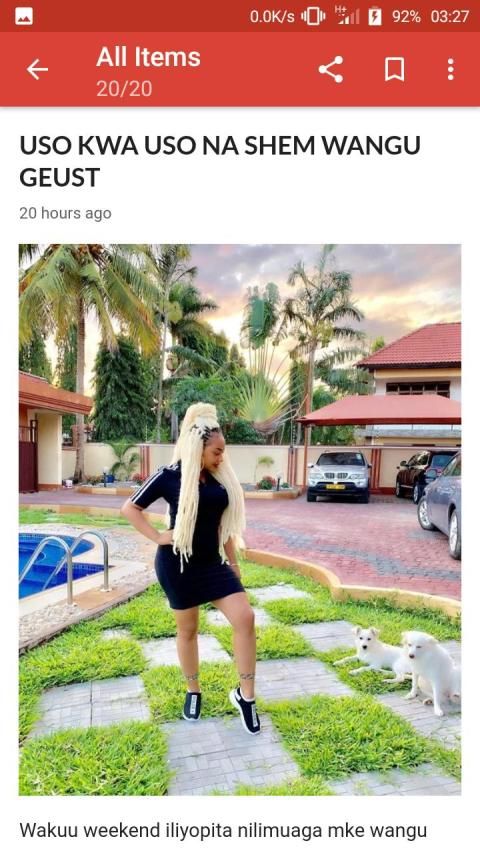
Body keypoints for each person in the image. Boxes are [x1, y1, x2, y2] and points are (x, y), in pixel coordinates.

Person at [121, 403, 260, 735]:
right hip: (178, 565)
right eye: (217, 451)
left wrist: (233, 562)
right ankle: (193, 689)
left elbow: (224, 526)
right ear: (198, 447)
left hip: (212, 564)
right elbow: (130, 508)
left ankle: (246, 696)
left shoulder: (218, 480)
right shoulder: (169, 476)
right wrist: (158, 536)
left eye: (223, 451)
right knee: (188, 630)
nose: (222, 457)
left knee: (245, 618)